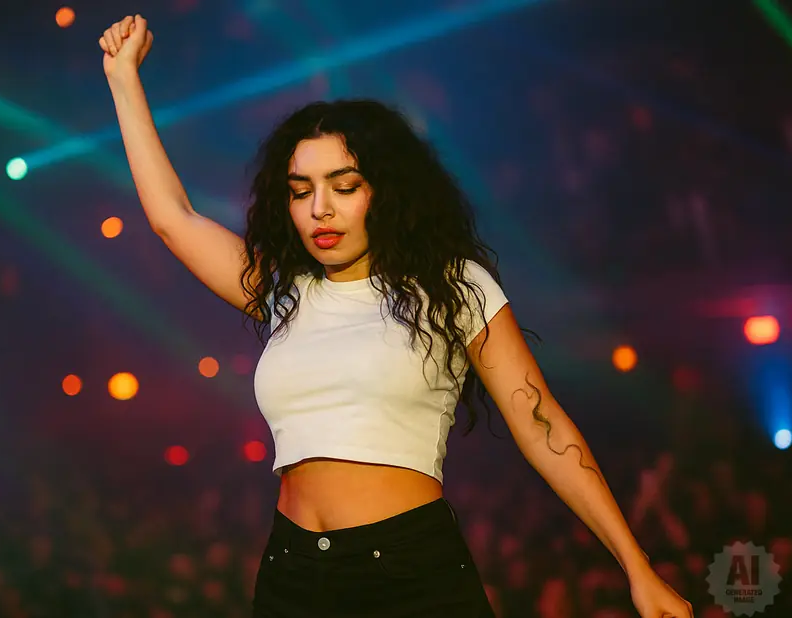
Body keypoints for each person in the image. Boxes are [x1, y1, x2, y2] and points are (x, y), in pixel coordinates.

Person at [99, 14, 694, 618]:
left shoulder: (452, 287)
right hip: (292, 573)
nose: (320, 209)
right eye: (301, 190)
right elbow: (173, 219)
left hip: (410, 572)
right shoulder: (287, 292)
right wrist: (124, 80)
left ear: (383, 189)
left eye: (343, 184)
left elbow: (540, 424)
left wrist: (636, 567)